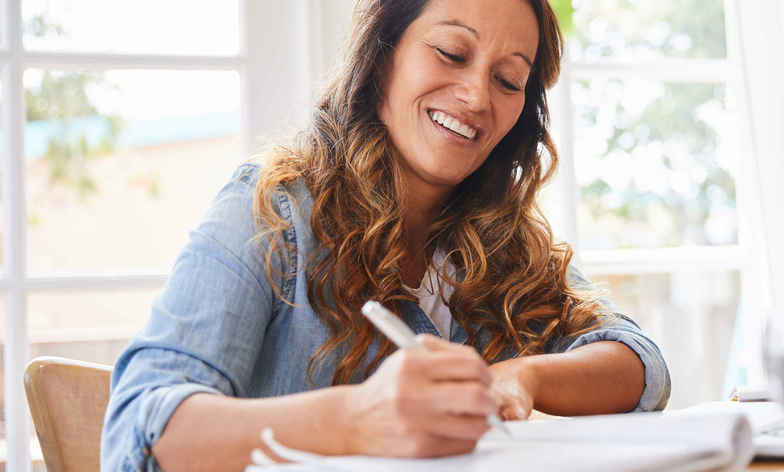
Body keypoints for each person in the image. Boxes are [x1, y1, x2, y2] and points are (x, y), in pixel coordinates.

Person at [100, 0, 670, 470]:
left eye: (507, 79)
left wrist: (525, 375)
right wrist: (357, 419)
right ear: (380, 59)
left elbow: (639, 364)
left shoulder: (505, 243)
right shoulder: (273, 211)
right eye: (451, 53)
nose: (476, 97)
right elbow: (138, 431)